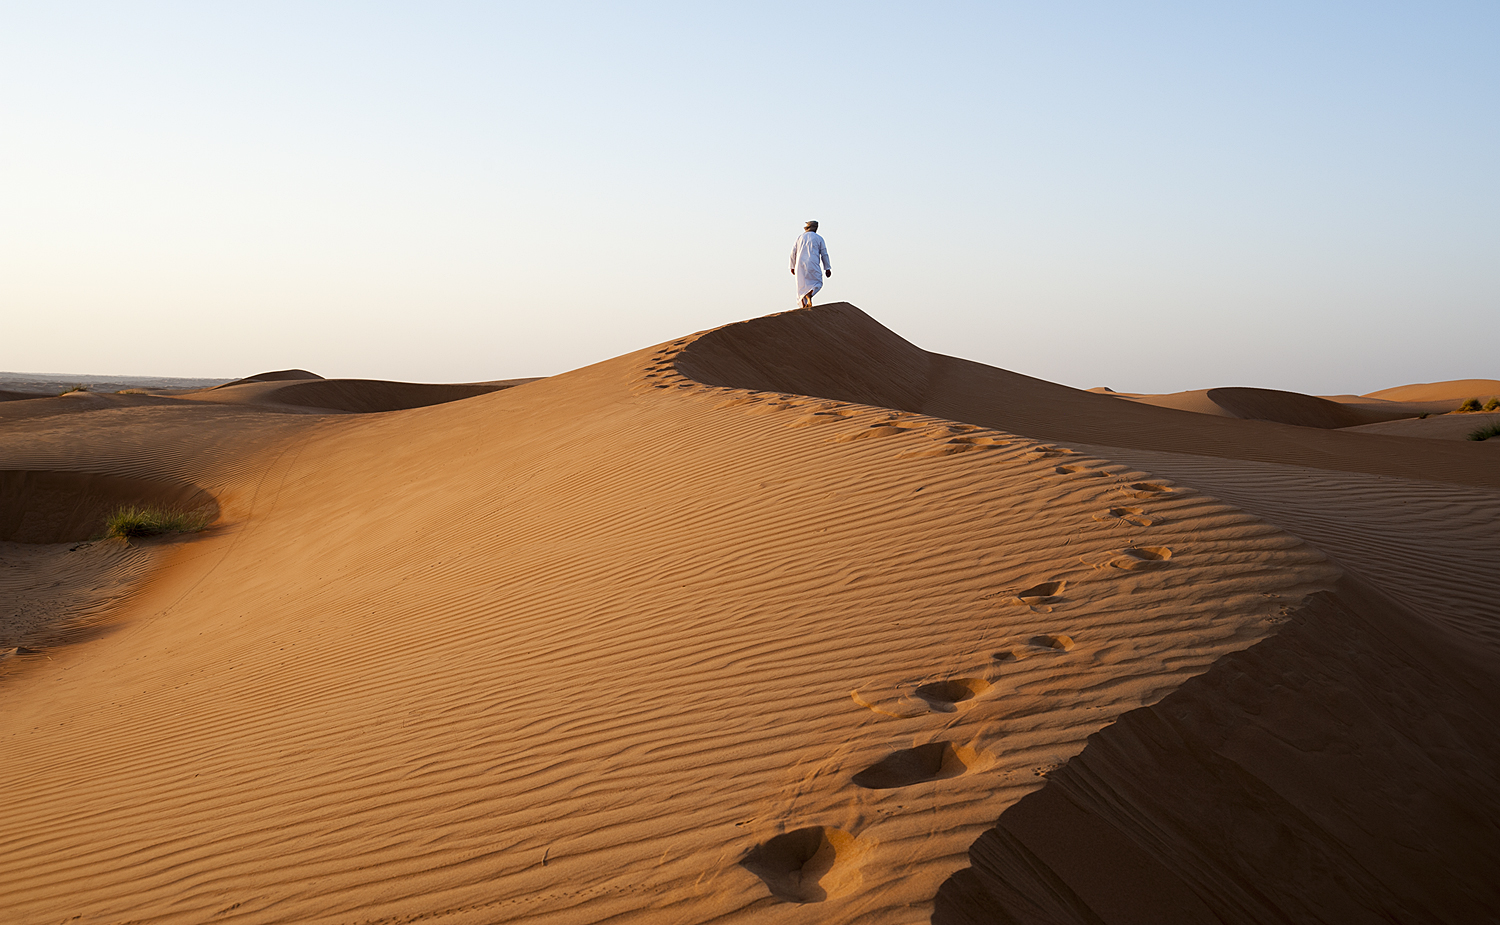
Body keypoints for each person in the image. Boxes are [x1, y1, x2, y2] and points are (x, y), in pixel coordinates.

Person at [790, 221, 832, 308]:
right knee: (818, 283)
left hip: (800, 265)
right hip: (813, 263)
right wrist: (827, 268)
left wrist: (792, 266)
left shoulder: (800, 237)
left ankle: (804, 306)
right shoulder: (819, 238)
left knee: (801, 287)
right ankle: (809, 294)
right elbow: (824, 254)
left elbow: (793, 252)